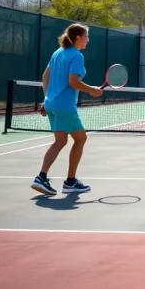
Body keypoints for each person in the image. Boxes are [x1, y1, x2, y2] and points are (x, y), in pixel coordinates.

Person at [31, 23, 103, 196]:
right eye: (86, 36)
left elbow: (45, 76)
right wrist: (91, 89)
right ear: (78, 37)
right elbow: (73, 82)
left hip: (51, 104)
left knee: (60, 141)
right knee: (80, 139)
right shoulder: (76, 56)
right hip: (64, 105)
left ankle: (42, 177)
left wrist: (46, 98)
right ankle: (70, 181)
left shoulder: (57, 53)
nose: (88, 40)